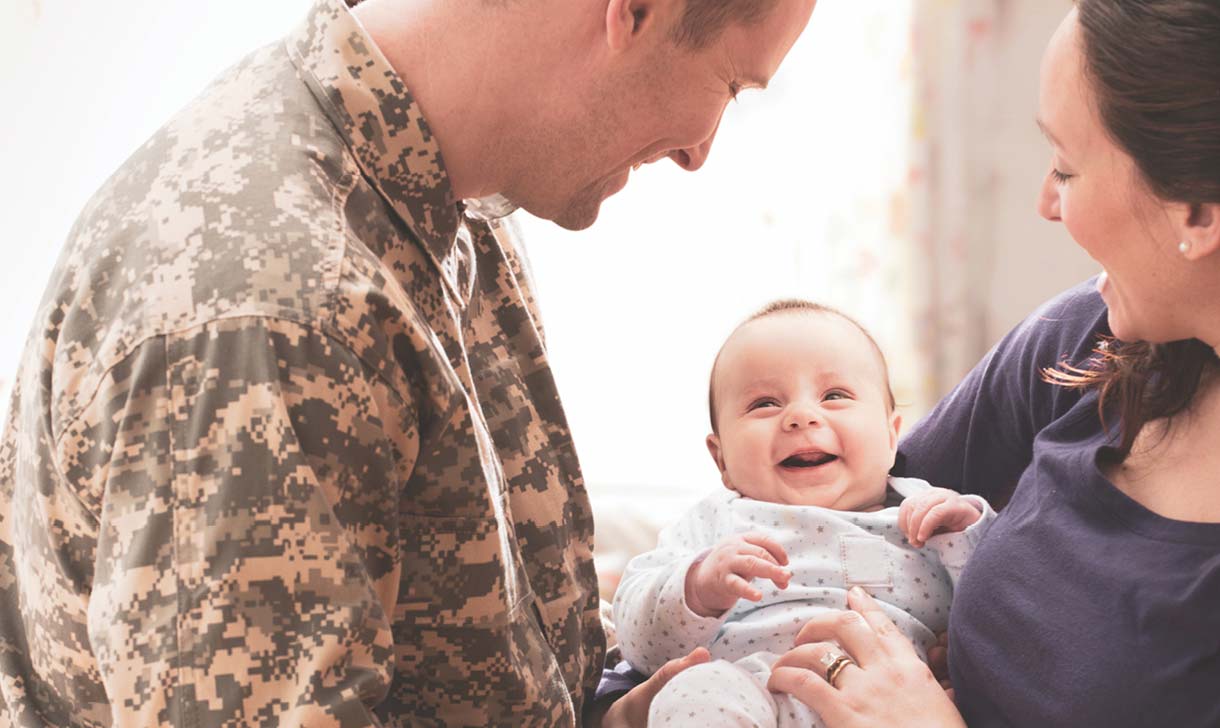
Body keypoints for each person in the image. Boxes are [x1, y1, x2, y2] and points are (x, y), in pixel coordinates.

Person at [0, 0, 817, 724]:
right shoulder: (273, 309)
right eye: (734, 84)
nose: (701, 151)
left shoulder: (460, 190)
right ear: (632, 9)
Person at [756, 3, 1220, 727]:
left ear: (1198, 211)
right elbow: (829, 521)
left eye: (1066, 167)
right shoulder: (1088, 341)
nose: (1045, 201)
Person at [611, 300, 994, 727]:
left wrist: (967, 530)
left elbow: (1000, 605)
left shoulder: (924, 514)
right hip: (757, 693)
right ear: (721, 461)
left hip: (896, 703)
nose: (801, 416)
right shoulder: (715, 521)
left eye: (834, 395)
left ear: (891, 438)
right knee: (694, 692)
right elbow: (636, 642)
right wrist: (697, 587)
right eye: (764, 404)